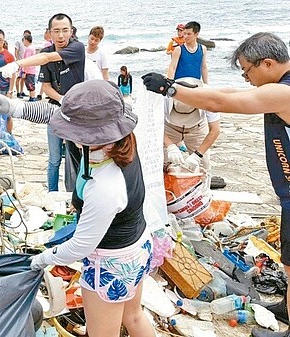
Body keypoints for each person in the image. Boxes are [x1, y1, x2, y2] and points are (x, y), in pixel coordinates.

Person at [141, 32, 290, 337]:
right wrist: (182, 88)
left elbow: (224, 101)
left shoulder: (284, 93)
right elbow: (225, 90)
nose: (246, 79)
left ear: (268, 63)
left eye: (247, 71)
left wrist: (170, 89)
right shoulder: (279, 87)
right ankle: (287, 307)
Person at [0, 80, 154, 337]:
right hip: (139, 244)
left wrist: (38, 261)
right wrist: (11, 107)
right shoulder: (120, 141)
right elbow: (53, 114)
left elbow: (80, 247)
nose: (66, 134)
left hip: (112, 262)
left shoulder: (106, 186)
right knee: (133, 315)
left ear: (90, 136)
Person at [0, 13, 85, 192]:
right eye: (56, 31)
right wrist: (61, 99)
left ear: (71, 31)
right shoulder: (45, 51)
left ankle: (74, 196)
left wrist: (16, 64)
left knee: (74, 157)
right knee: (54, 158)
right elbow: (46, 86)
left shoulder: (77, 48)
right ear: (49, 33)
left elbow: (46, 59)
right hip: (52, 110)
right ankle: (52, 193)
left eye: (65, 30)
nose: (61, 35)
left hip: (75, 113)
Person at [161, 77, 220, 173]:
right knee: (162, 164)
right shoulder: (164, 97)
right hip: (169, 127)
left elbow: (215, 130)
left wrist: (198, 155)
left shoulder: (209, 96)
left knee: (203, 166)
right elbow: (156, 125)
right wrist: (170, 146)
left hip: (197, 128)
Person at [14, 30, 31, 98]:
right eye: (25, 35)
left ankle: (21, 91)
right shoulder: (19, 42)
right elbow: (16, 51)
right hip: (19, 62)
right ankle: (18, 92)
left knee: (23, 78)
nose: (26, 36)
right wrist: (17, 61)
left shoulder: (28, 43)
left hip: (25, 62)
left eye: (28, 35)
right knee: (18, 77)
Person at [21, 35, 37, 102]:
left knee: (30, 85)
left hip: (29, 70)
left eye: (24, 40)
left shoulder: (29, 49)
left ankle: (32, 97)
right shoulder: (32, 48)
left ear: (26, 40)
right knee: (30, 84)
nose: (23, 42)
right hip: (31, 70)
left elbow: (26, 61)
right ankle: (31, 97)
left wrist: (24, 71)